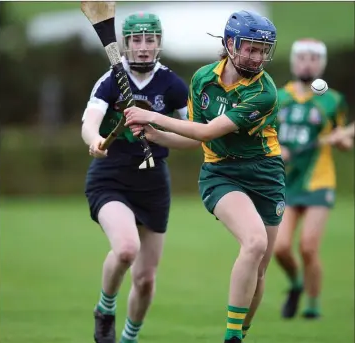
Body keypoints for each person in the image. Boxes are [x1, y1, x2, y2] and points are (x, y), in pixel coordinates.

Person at [124, 10, 284, 343]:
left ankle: (242, 331)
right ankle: (231, 337)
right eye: (249, 48)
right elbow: (196, 137)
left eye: (261, 50)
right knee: (254, 242)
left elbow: (208, 130)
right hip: (221, 173)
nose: (256, 56)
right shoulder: (202, 79)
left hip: (266, 175)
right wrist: (155, 135)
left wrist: (153, 117)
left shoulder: (264, 92)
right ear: (230, 44)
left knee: (260, 267)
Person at [81, 12, 188, 343]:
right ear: (125, 44)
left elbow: (195, 136)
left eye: (150, 39)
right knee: (127, 249)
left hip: (154, 183)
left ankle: (128, 338)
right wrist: (95, 140)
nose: (143, 47)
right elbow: (90, 120)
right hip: (110, 176)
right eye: (137, 40)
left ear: (159, 42)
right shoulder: (111, 79)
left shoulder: (172, 85)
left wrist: (158, 134)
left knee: (145, 280)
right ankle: (105, 308)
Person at [273, 38, 352, 320]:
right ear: (294, 62)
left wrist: (341, 139)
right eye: (302, 57)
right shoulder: (278, 97)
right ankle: (296, 284)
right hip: (284, 182)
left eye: (314, 58)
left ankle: (313, 306)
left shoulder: (333, 100)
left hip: (319, 181)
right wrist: (276, 149)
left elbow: (344, 140)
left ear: (322, 63)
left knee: (308, 247)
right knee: (280, 248)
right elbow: (263, 133)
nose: (308, 63)